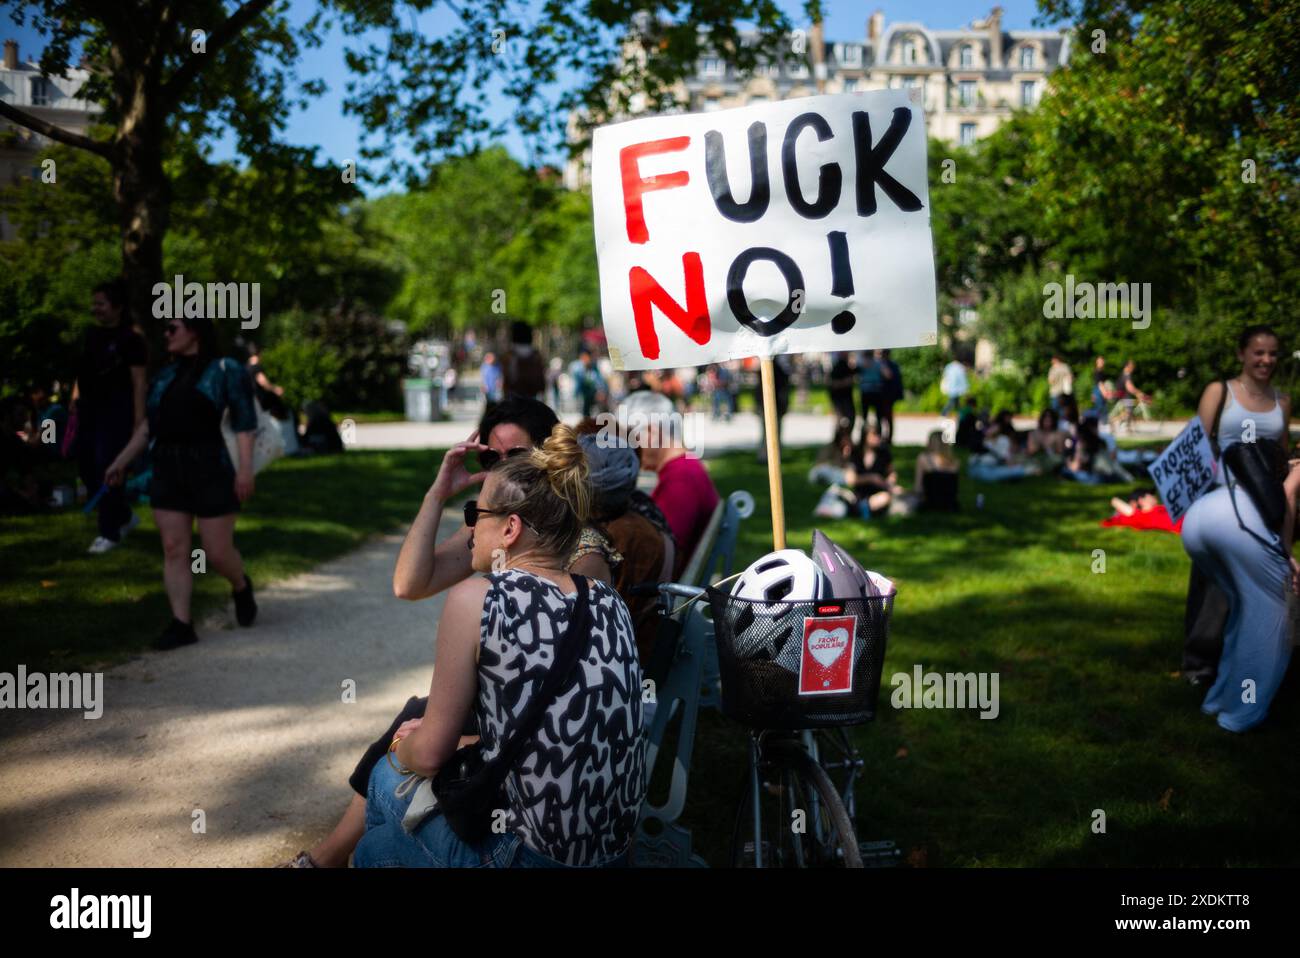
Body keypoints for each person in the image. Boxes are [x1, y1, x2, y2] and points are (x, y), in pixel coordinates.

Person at [282, 397, 621, 867]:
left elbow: (550, 706)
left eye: (516, 458)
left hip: (532, 838)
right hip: (599, 841)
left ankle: (341, 858)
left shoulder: (545, 564)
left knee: (391, 782)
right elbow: (409, 583)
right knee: (411, 748)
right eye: (490, 460)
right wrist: (436, 496)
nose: (499, 470)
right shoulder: (578, 579)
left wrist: (411, 747)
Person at [353, 425, 646, 868]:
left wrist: (398, 747)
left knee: (380, 798)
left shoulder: (479, 598)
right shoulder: (607, 598)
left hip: (531, 857)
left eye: (475, 513)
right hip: (612, 855)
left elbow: (430, 754)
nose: (470, 528)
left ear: (510, 529)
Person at [104, 316, 259, 649]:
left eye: (173, 328)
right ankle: (181, 624)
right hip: (169, 469)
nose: (166, 335)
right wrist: (121, 461)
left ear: (195, 332)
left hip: (210, 467)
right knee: (175, 549)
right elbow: (148, 428)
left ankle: (240, 585)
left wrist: (245, 470)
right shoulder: (166, 375)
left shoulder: (224, 369)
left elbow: (245, 422)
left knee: (216, 552)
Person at [1181, 325, 1298, 731]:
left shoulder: (1282, 400)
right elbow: (1195, 446)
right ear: (1242, 354)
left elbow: (1279, 463)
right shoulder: (1220, 391)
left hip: (1258, 508)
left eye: (1273, 354)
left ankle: (1221, 693)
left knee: (1240, 602)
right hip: (1221, 506)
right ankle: (1211, 682)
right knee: (1221, 602)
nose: (1266, 361)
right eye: (1258, 353)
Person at [72, 279, 148, 554]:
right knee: (85, 465)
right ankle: (125, 516)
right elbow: (83, 371)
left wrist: (139, 420)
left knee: (109, 467)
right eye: (94, 304)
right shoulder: (92, 335)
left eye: (101, 304)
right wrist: (74, 398)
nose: (96, 309)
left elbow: (139, 381)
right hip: (88, 410)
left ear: (117, 307)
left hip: (117, 412)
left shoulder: (131, 340)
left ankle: (109, 532)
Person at [628, 391, 719, 571]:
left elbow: (657, 557)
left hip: (666, 594)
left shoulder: (681, 480)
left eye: (631, 438)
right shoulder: (685, 468)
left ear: (651, 432)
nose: (629, 450)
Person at [755, 354, 791, 464]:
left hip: (775, 405)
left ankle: (769, 456)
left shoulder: (777, 371)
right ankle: (767, 456)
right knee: (771, 432)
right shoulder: (770, 370)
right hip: (770, 405)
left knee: (770, 432)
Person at [913, 429, 960, 511]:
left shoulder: (923, 458)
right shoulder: (955, 462)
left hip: (929, 503)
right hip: (950, 504)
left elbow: (918, 487)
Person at [502, 320, 546, 400]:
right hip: (532, 398)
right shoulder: (536, 356)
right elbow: (541, 382)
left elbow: (507, 381)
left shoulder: (509, 356)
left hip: (514, 399)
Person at [570, 348, 608, 418]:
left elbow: (599, 380)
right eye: (583, 357)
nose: (585, 359)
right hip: (582, 395)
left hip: (592, 395)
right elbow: (577, 383)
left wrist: (602, 390)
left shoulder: (593, 367)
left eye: (587, 357)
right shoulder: (577, 367)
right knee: (585, 413)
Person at [857, 350, 885, 440]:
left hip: (866, 391)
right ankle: (877, 436)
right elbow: (888, 374)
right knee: (878, 417)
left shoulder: (862, 363)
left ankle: (863, 438)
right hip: (876, 391)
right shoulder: (878, 363)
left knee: (865, 417)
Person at [827, 352, 857, 431]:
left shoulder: (849, 367)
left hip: (847, 396)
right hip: (838, 397)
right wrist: (845, 382)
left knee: (849, 419)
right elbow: (832, 384)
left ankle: (846, 439)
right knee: (841, 420)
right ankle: (839, 440)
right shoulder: (837, 367)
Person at [879, 349, 902, 443]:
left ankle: (888, 438)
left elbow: (891, 378)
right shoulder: (893, 365)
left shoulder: (888, 365)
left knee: (887, 417)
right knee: (884, 417)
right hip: (884, 395)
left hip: (886, 395)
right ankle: (884, 437)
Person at [1090, 356, 1112, 422]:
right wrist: (1105, 393)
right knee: (1101, 409)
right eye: (1100, 361)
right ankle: (1102, 424)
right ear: (1096, 362)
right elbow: (1100, 384)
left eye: (1102, 361)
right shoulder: (1097, 372)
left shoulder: (1101, 371)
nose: (1102, 363)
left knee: (1101, 409)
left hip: (1099, 390)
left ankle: (1101, 424)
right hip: (1099, 391)